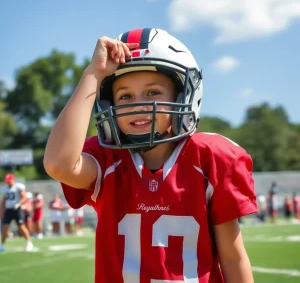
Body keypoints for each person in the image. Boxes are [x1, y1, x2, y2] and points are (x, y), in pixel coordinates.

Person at [44, 28, 257, 282]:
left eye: (153, 92)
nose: (139, 105)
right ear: (108, 105)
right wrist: (93, 74)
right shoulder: (106, 160)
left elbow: (233, 257)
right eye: (125, 96)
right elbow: (59, 164)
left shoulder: (210, 158)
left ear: (184, 94)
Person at [0, 173, 34, 252]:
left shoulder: (18, 187)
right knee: (5, 227)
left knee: (21, 227)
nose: (8, 182)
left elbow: (25, 197)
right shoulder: (5, 188)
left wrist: (18, 204)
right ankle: (2, 245)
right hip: (8, 210)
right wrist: (1, 211)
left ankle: (29, 243)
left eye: (9, 180)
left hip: (17, 209)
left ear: (12, 179)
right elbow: (3, 201)